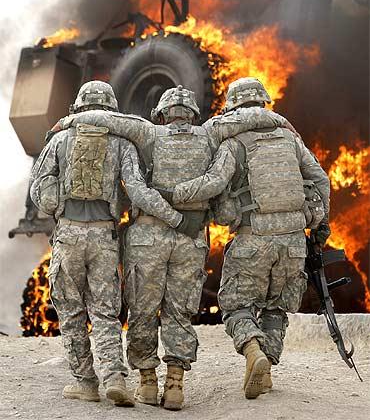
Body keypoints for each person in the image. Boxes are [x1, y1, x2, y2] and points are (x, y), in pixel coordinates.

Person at [51, 84, 297, 410]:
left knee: (142, 310)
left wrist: (68, 123)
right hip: (191, 238)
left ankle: (148, 384)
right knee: (179, 311)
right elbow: (247, 117)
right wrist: (278, 120)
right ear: (193, 114)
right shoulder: (210, 133)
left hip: (146, 237)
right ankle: (176, 386)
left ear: (162, 114)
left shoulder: (148, 133)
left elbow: (109, 119)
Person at [171, 77, 331, 399]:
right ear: (263, 102)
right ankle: (266, 370)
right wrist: (318, 220)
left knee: (235, 305)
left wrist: (176, 193)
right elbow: (320, 179)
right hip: (293, 241)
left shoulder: (233, 142)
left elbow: (214, 184)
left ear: (232, 105)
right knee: (276, 308)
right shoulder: (289, 137)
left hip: (252, 239)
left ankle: (253, 350)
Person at [30, 81, 183, 407]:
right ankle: (115, 377)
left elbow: (40, 192)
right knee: (105, 312)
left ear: (78, 106)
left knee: (71, 310)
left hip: (69, 234)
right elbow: (137, 190)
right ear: (110, 108)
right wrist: (173, 216)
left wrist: (60, 203)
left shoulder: (59, 140)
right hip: (104, 236)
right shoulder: (121, 144)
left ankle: (85, 382)